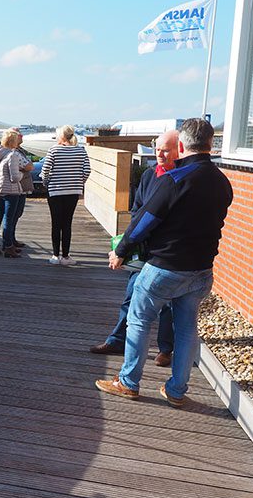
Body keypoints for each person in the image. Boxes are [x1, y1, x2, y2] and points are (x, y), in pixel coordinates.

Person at [95, 118, 233, 407]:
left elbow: (144, 221)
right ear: (211, 144)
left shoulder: (175, 180)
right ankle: (176, 390)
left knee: (138, 320)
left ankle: (128, 382)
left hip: (166, 267)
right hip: (202, 270)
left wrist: (121, 250)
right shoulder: (222, 181)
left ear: (181, 145)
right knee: (186, 329)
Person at [89, 130, 179, 367]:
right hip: (143, 247)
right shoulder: (149, 175)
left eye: (166, 149)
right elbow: (137, 208)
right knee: (130, 296)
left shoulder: (181, 179)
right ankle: (118, 339)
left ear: (180, 150)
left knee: (167, 304)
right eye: (157, 148)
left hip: (166, 253)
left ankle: (165, 349)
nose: (160, 153)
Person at [41, 125, 90, 266]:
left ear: (61, 137)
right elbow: (87, 171)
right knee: (67, 223)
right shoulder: (81, 150)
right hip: (73, 192)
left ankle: (55, 256)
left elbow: (45, 170)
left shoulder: (54, 150)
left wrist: (47, 183)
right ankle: (66, 256)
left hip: (55, 191)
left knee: (56, 223)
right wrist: (78, 183)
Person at [0, 129, 26, 258]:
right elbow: (14, 177)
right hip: (10, 190)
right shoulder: (12, 154)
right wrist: (22, 174)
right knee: (8, 220)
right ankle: (8, 247)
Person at [11, 131, 35, 248]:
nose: (22, 136)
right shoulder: (14, 152)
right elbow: (29, 166)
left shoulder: (17, 150)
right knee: (14, 215)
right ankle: (10, 241)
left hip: (20, 188)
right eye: (19, 134)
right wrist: (28, 165)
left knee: (15, 215)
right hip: (18, 188)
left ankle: (11, 239)